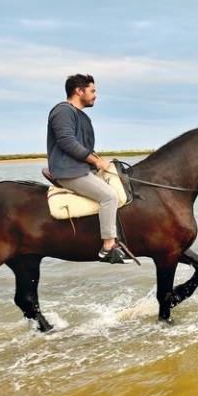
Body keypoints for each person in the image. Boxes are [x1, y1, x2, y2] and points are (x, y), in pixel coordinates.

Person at [47, 74, 126, 263]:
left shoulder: (80, 115)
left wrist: (98, 160)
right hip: (70, 171)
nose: (95, 95)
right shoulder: (63, 111)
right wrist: (96, 161)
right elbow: (67, 142)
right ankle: (108, 247)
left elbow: (84, 147)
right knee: (109, 195)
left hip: (81, 168)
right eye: (92, 90)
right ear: (78, 91)